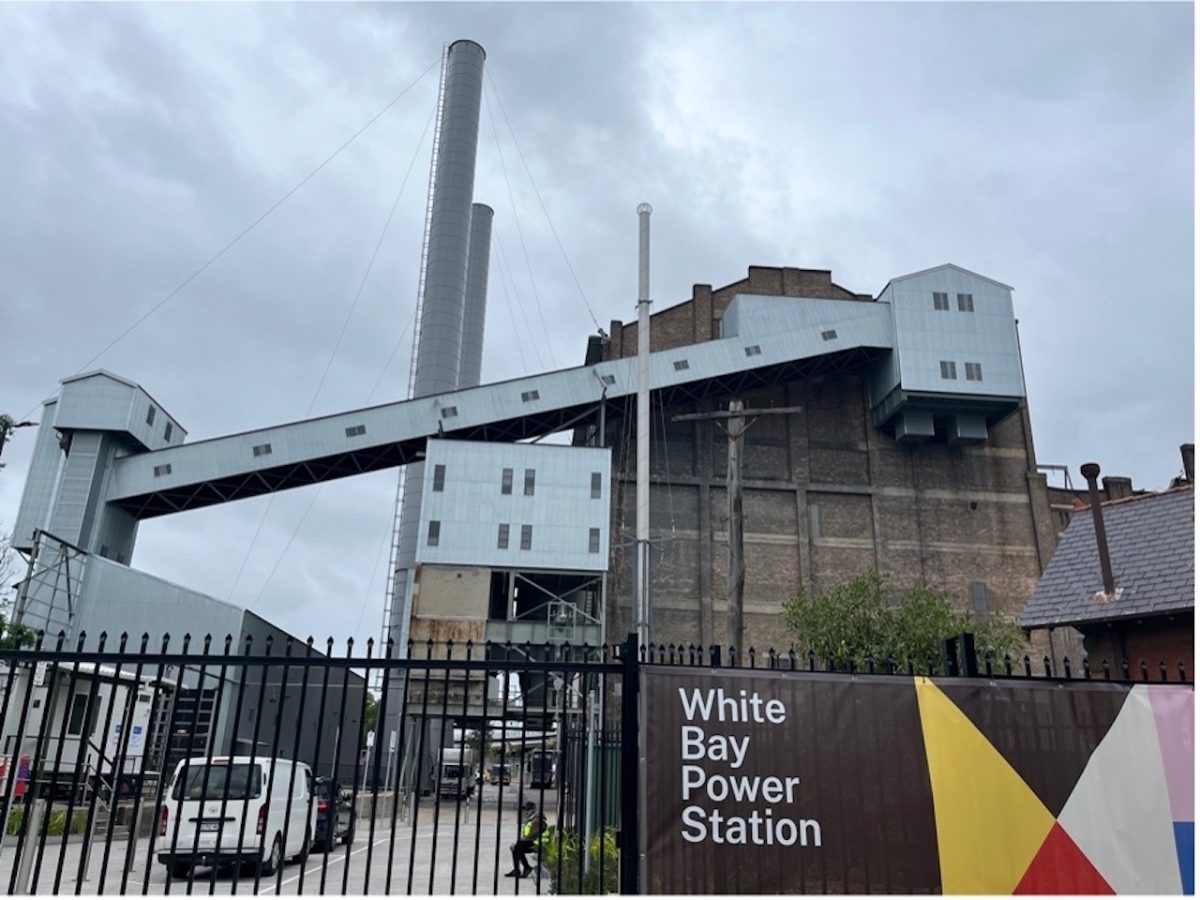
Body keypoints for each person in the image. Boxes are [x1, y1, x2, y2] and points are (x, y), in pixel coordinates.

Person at [506, 801, 546, 878]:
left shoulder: (536, 820)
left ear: (533, 810)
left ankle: (525, 868)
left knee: (517, 847)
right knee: (517, 846)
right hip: (533, 842)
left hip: (538, 844)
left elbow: (532, 835)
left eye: (528, 809)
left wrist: (520, 841)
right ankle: (519, 869)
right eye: (525, 810)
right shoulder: (533, 819)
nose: (526, 812)